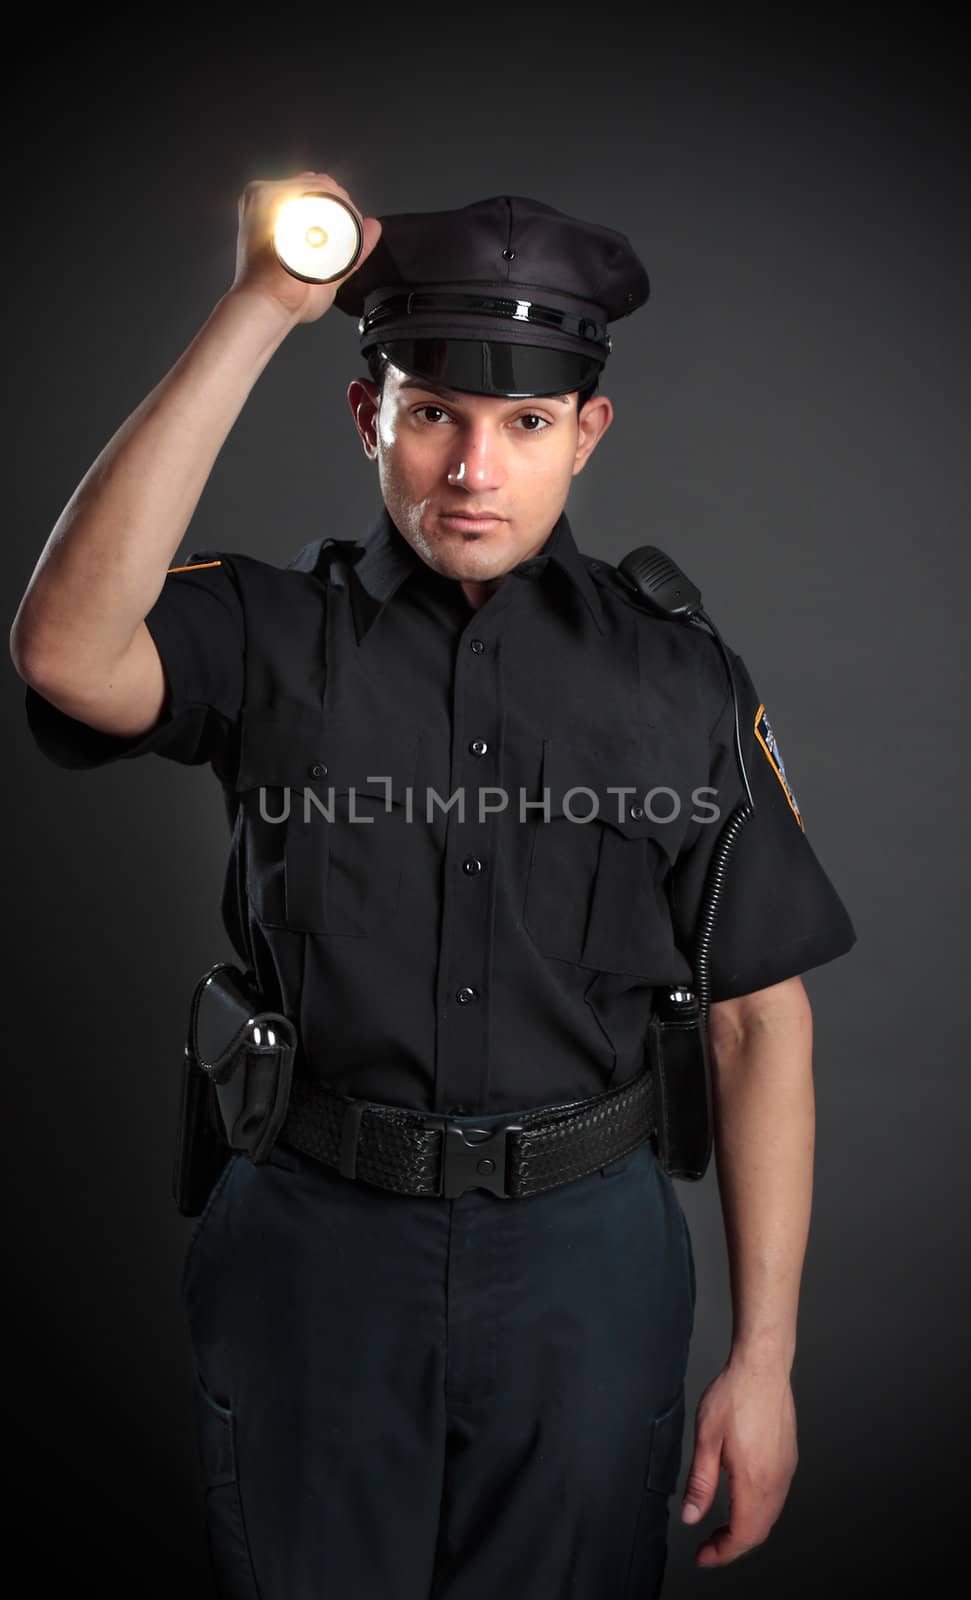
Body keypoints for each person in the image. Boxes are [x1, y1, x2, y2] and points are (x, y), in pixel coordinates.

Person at [10, 174, 857, 1599]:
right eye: (432, 416)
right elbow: (67, 651)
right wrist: (261, 307)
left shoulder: (676, 677)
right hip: (312, 1253)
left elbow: (760, 1023)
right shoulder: (268, 634)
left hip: (584, 1275)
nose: (475, 470)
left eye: (524, 424)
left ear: (586, 435)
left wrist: (765, 1363)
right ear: (369, 422)